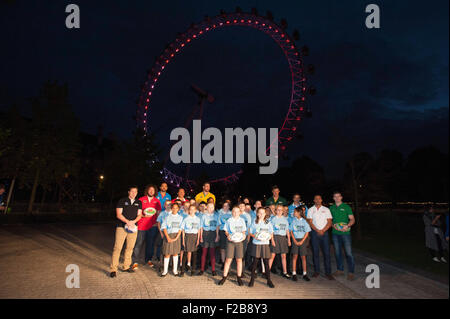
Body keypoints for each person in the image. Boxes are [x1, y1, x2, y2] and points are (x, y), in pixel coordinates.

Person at [109, 186, 142, 278]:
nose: (133, 193)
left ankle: (126, 266)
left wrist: (133, 222)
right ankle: (113, 269)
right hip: (121, 227)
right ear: (129, 192)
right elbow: (118, 214)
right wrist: (128, 222)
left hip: (133, 228)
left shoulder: (138, 202)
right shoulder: (122, 201)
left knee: (130, 248)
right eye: (132, 191)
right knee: (117, 248)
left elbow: (139, 215)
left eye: (135, 192)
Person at [132, 185, 162, 269]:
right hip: (141, 225)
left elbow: (158, 213)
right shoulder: (141, 199)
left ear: (155, 191)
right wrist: (141, 215)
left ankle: (148, 259)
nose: (151, 191)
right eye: (150, 190)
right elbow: (136, 211)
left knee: (150, 244)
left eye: (153, 190)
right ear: (147, 191)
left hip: (152, 226)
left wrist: (157, 222)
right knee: (139, 243)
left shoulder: (157, 201)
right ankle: (135, 261)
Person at [218, 206, 247, 286]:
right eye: (234, 211)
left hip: (239, 242)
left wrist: (243, 236)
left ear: (240, 213)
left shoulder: (242, 220)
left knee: (239, 260)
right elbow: (226, 231)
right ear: (232, 212)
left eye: (237, 211)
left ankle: (239, 277)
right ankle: (224, 277)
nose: (235, 213)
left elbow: (244, 231)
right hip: (231, 242)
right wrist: (228, 236)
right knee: (228, 260)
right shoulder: (229, 220)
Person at [330, 191, 356, 280]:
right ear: (333, 198)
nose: (337, 198)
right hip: (335, 233)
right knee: (337, 253)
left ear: (341, 197)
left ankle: (351, 272)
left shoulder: (346, 207)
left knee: (349, 253)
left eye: (338, 196)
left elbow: (352, 219)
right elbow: (329, 221)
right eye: (335, 196)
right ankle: (340, 270)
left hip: (345, 233)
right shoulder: (331, 208)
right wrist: (333, 226)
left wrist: (347, 225)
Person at [307, 195, 334, 280]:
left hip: (325, 234)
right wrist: (317, 230)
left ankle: (328, 272)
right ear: (314, 200)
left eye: (319, 198)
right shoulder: (311, 210)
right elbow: (310, 222)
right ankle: (316, 271)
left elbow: (329, 222)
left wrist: (323, 230)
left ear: (321, 200)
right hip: (315, 233)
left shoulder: (326, 210)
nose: (318, 200)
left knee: (326, 253)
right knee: (315, 253)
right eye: (316, 199)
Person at [248, 207, 275, 288]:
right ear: (257, 213)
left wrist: (269, 237)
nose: (261, 214)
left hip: (265, 244)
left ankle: (269, 280)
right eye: (259, 213)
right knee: (255, 262)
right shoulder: (254, 222)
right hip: (256, 244)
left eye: (263, 213)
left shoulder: (267, 222)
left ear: (265, 214)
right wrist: (255, 237)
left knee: (266, 262)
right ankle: (252, 279)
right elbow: (251, 232)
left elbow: (271, 232)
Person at [160, 202, 183, 276]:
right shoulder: (167, 217)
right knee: (167, 254)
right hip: (168, 236)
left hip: (176, 236)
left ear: (178, 209)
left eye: (176, 208)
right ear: (171, 208)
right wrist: (167, 237)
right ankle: (165, 271)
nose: (175, 209)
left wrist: (176, 237)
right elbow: (164, 227)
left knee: (175, 253)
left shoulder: (180, 218)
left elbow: (180, 228)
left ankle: (175, 271)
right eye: (173, 208)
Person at [268, 204, 291, 278]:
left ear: (283, 211)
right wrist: (272, 240)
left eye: (281, 210)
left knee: (283, 256)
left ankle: (284, 272)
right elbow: (271, 231)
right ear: (275, 211)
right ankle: (267, 272)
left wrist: (289, 240)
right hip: (275, 237)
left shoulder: (285, 219)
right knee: (272, 255)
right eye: (278, 210)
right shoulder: (273, 219)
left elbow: (287, 230)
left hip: (283, 238)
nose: (279, 211)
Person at [290, 206, 311, 281]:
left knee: (303, 257)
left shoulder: (304, 221)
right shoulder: (293, 220)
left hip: (302, 240)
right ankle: (294, 273)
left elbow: (307, 232)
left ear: (299, 213)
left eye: (295, 212)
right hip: (295, 240)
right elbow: (291, 231)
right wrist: (294, 240)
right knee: (295, 256)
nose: (294, 213)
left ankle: (305, 274)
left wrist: (302, 241)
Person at [198, 202, 219, 276]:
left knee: (212, 253)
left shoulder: (216, 216)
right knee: (204, 253)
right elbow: (201, 227)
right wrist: (200, 237)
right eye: (209, 207)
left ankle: (213, 269)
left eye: (212, 207)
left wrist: (217, 236)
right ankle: (202, 269)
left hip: (213, 234)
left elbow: (217, 227)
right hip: (205, 234)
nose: (211, 209)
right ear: (206, 207)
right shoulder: (203, 216)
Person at [180, 205, 201, 276]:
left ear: (195, 210)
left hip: (195, 236)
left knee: (194, 254)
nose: (192, 211)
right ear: (189, 211)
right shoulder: (186, 219)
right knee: (185, 253)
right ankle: (182, 270)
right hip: (188, 236)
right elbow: (183, 230)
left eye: (193, 209)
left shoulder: (198, 219)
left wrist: (198, 239)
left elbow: (199, 230)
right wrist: (183, 240)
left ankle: (193, 270)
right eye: (190, 210)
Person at [218, 202, 232, 268]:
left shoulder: (231, 214)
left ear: (229, 207)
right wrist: (217, 234)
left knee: (228, 248)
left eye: (227, 206)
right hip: (222, 231)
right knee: (222, 248)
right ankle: (223, 262)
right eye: (224, 206)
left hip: (229, 232)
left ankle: (228, 263)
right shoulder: (220, 214)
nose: (225, 207)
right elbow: (218, 225)